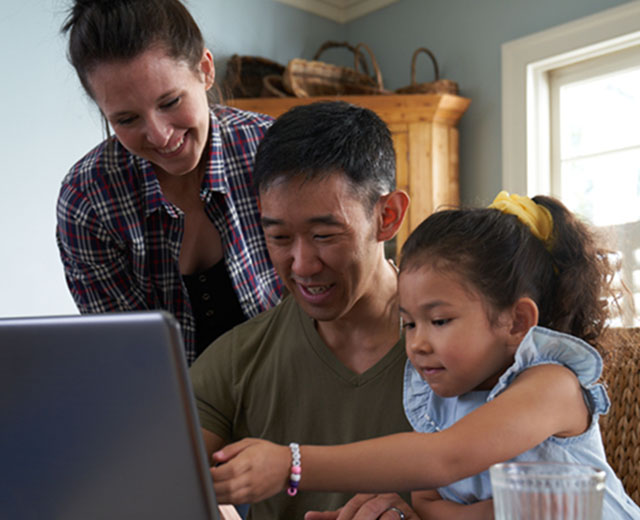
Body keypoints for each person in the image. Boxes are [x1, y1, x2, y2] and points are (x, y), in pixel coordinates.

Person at [210, 192, 640, 519]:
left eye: (439, 321)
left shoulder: (551, 385)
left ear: (516, 322)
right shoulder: (438, 394)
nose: (415, 344)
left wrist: (292, 463)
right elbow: (428, 502)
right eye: (409, 322)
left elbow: (442, 460)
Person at [189, 101, 420, 519]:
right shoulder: (237, 361)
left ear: (387, 216)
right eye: (279, 238)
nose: (301, 264)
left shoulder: (467, 347)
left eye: (324, 234)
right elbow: (159, 487)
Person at [56, 0, 283, 365]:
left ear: (205, 70)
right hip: (170, 400)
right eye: (127, 119)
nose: (160, 136)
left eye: (171, 101)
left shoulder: (268, 149)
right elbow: (126, 354)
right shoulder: (88, 201)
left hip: (291, 380)